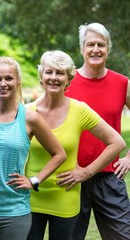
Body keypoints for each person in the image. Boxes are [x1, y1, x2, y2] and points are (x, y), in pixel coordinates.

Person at [25, 50, 126, 240]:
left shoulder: (79, 110)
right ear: (41, 76)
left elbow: (117, 143)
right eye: (49, 72)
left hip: (65, 197)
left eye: (60, 73)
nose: (53, 78)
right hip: (30, 198)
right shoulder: (27, 112)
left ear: (68, 78)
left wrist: (86, 172)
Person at [0, 56, 66, 240]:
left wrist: (34, 180)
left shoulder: (30, 118)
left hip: (14, 211)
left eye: (8, 78)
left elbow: (59, 154)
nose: (3, 84)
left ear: (18, 81)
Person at [64, 22, 130, 240]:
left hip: (110, 175)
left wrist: (129, 157)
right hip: (73, 175)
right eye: (90, 44)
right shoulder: (66, 81)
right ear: (82, 49)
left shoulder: (122, 83)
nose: (95, 49)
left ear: (108, 49)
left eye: (101, 45)